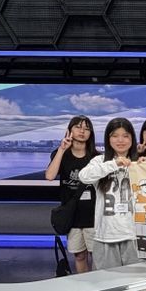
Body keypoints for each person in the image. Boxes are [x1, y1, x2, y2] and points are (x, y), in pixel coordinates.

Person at [79, 117, 146, 270]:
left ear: (132, 139)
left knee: (138, 282)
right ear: (108, 139)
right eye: (115, 136)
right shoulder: (100, 161)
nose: (120, 140)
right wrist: (114, 163)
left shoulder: (139, 163)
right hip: (105, 236)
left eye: (125, 136)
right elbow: (84, 176)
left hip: (135, 236)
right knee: (106, 281)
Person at [45, 115, 98, 274]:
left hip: (93, 215)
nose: (82, 131)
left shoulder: (96, 157)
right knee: (79, 256)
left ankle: (98, 285)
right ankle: (84, 285)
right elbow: (50, 176)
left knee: (97, 256)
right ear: (69, 130)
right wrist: (62, 149)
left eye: (87, 128)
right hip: (72, 215)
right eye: (78, 127)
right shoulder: (60, 153)